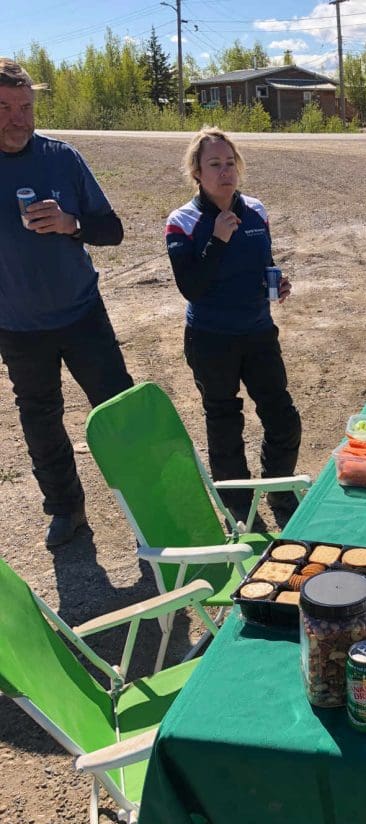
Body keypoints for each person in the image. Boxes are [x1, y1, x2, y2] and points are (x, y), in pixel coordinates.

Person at [0, 59, 133, 547]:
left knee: (120, 411)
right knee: (40, 420)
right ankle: (65, 509)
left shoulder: (62, 158)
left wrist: (71, 224)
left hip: (81, 315)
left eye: (25, 107)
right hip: (17, 327)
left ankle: (152, 498)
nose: (17, 118)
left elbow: (113, 230)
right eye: (5, 108)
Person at [165, 126, 301, 524]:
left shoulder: (256, 210)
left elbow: (262, 264)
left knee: (282, 415)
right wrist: (217, 239)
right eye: (214, 164)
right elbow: (191, 286)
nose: (224, 172)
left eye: (229, 163)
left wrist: (276, 283)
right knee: (224, 422)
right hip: (211, 338)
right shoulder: (183, 221)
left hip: (258, 332)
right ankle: (239, 505)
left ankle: (278, 491)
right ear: (197, 172)